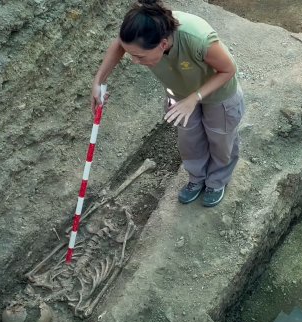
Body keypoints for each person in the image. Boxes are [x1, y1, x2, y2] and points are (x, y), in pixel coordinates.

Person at [91, 0, 244, 207]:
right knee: (189, 139)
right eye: (132, 55)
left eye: (140, 56)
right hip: (179, 93)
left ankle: (217, 181)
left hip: (217, 94)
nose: (135, 61)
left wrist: (194, 98)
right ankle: (196, 179)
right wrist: (99, 80)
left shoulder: (198, 38)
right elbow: (119, 44)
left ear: (163, 44)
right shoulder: (139, 34)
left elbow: (228, 70)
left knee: (220, 138)